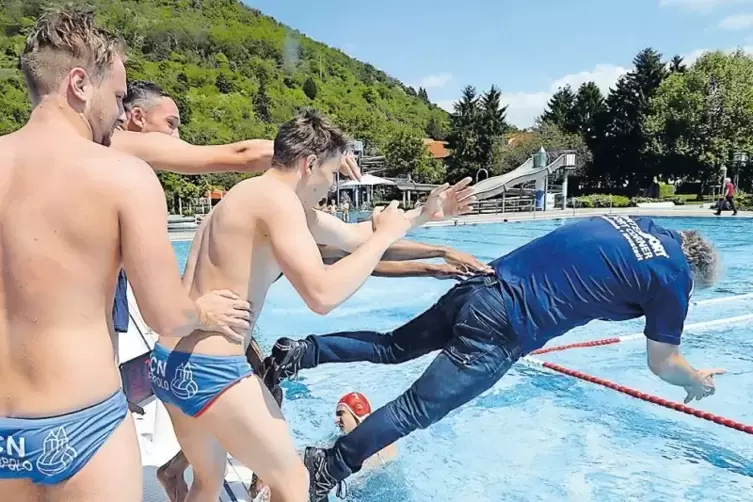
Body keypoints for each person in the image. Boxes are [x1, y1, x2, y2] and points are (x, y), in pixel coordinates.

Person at [265, 214, 726, 501]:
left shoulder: (634, 223)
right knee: (412, 411)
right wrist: (693, 381)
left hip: (480, 287)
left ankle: (299, 352)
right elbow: (662, 361)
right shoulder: (673, 278)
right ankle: (325, 469)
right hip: (505, 327)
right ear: (695, 274)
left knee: (392, 346)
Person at [147, 109, 475, 502]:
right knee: (293, 482)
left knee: (207, 481)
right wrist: (386, 233)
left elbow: (353, 238)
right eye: (333, 174)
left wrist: (422, 215)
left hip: (169, 360)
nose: (332, 185)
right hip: (213, 368)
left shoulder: (246, 197)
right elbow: (322, 295)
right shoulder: (277, 203)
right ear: (310, 164)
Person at [0, 6, 252, 502]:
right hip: (83, 425)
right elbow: (166, 315)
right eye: (117, 96)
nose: (121, 113)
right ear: (79, 84)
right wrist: (202, 309)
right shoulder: (122, 176)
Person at [335, 392, 397, 469]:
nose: (336, 420)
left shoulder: (384, 445)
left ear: (356, 415)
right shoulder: (338, 442)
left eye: (340, 414)